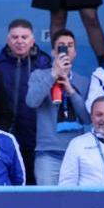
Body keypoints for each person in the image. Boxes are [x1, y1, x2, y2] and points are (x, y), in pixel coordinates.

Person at [27, 30, 91, 186]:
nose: (66, 50)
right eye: (61, 46)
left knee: (74, 203)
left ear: (75, 52)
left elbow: (87, 118)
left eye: (70, 46)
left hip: (76, 153)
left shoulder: (84, 81)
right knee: (47, 202)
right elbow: (31, 101)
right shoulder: (39, 75)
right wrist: (53, 74)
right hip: (47, 154)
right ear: (53, 52)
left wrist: (70, 90)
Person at [0, 20, 50, 184]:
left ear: (33, 40)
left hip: (35, 138)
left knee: (33, 186)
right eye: (15, 37)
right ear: (8, 40)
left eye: (24, 37)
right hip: (6, 137)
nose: (19, 41)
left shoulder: (44, 64)